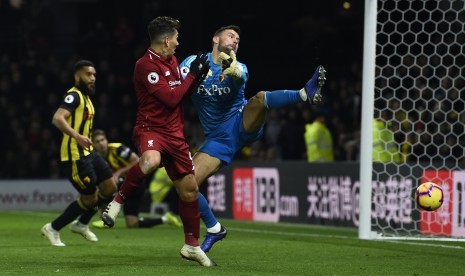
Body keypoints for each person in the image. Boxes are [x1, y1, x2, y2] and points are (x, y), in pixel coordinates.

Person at [179, 25, 326, 252]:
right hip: (219, 138)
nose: (235, 39)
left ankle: (305, 93)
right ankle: (214, 228)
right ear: (215, 38)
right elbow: (175, 87)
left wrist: (234, 71)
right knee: (186, 184)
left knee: (258, 98)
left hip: (242, 122)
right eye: (231, 35)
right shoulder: (191, 63)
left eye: (238, 38)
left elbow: (240, 78)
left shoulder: (240, 66)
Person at [101, 16, 216, 267]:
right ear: (166, 40)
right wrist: (191, 75)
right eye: (175, 37)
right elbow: (171, 98)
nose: (178, 42)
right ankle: (117, 202)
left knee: (190, 190)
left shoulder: (172, 60)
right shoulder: (144, 65)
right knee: (151, 161)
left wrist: (197, 75)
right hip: (151, 130)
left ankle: (192, 245)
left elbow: (183, 91)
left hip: (175, 134)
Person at [41, 60, 118, 246]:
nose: (92, 78)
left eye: (94, 75)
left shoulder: (88, 99)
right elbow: (57, 118)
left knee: (110, 187)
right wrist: (77, 136)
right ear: (77, 76)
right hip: (74, 155)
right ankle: (53, 228)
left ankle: (81, 223)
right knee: (90, 199)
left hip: (89, 153)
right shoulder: (73, 96)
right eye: (88, 75)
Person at [90, 129, 182, 229]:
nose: (101, 143)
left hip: (135, 183)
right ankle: (166, 219)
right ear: (93, 144)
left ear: (106, 140)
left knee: (109, 186)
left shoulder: (118, 148)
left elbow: (137, 161)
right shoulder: (96, 157)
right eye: (97, 141)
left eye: (102, 140)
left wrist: (118, 173)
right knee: (132, 224)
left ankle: (103, 219)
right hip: (122, 185)